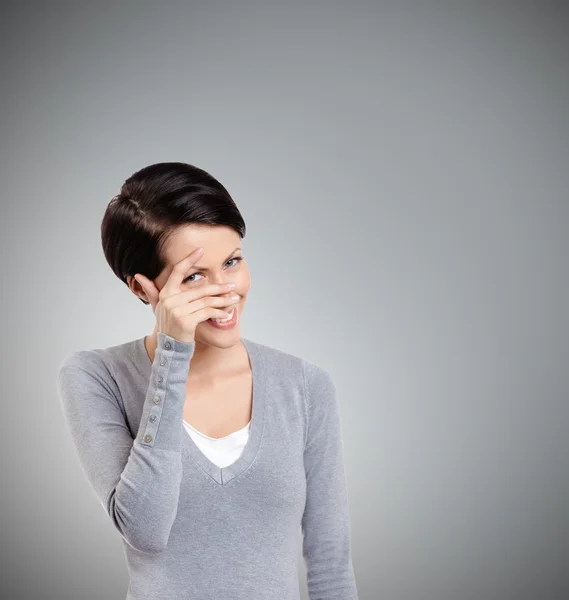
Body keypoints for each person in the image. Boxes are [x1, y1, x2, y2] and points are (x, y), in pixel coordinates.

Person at [56, 162, 359, 599]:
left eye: (232, 262)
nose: (226, 291)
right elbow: (146, 529)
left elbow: (330, 561)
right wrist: (172, 357)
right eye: (194, 276)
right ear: (143, 289)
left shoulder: (306, 386)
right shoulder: (96, 377)